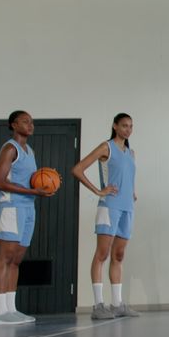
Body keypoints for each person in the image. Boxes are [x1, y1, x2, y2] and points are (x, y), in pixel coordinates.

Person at [72, 113, 140, 320]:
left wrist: (132, 192)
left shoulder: (131, 153)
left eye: (130, 126)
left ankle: (117, 304)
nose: (128, 129)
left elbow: (127, 177)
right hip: (109, 207)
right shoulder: (106, 148)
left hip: (127, 208)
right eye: (124, 125)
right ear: (115, 126)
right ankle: (98, 305)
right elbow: (78, 169)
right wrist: (98, 191)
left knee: (119, 255)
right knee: (102, 254)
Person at [0, 110, 55, 325]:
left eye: (32, 122)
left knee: (16, 261)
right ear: (13, 124)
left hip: (28, 208)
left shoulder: (31, 151)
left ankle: (11, 309)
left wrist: (43, 188)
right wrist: (33, 192)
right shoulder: (10, 149)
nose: (30, 125)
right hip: (11, 206)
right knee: (5, 258)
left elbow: (30, 182)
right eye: (25, 121)